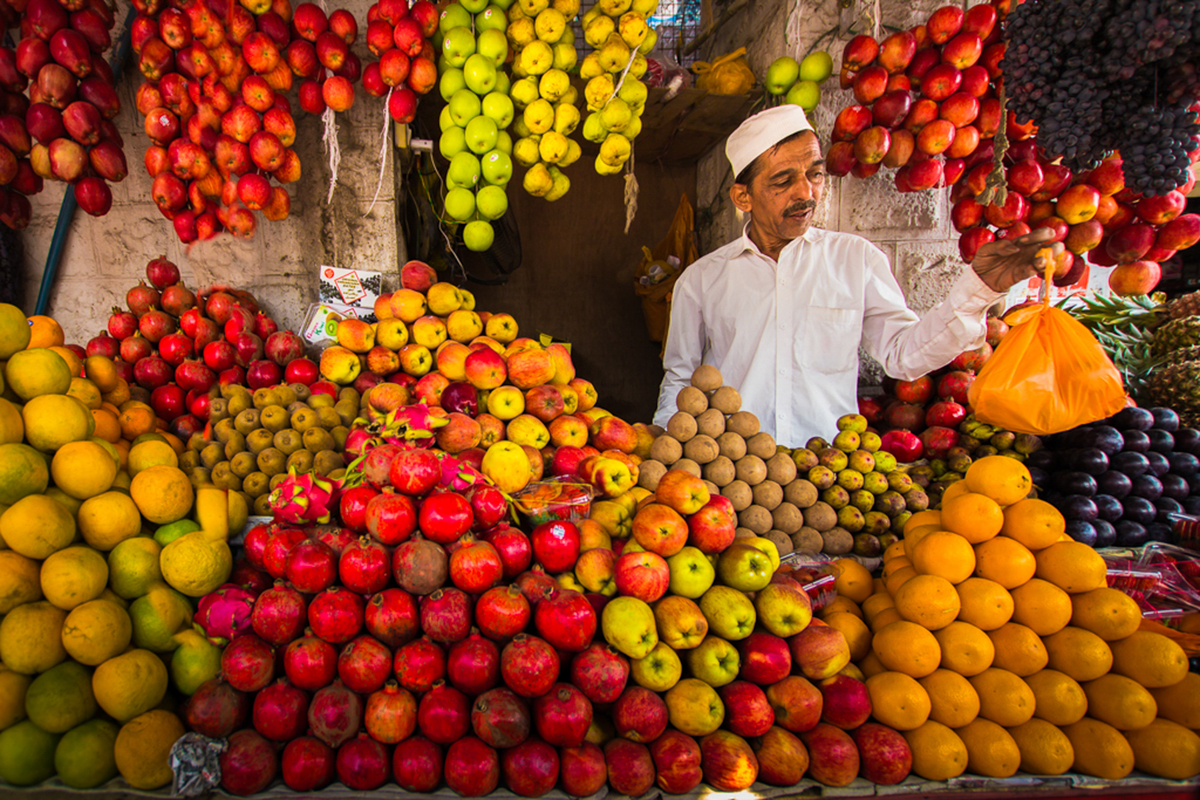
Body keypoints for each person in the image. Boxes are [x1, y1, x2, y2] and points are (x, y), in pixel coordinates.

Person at [653, 104, 1062, 446]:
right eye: (783, 180)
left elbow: (905, 357)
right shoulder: (702, 280)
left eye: (814, 173)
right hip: (734, 476)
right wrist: (665, 450)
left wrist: (980, 289)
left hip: (828, 477)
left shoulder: (856, 259)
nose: (807, 193)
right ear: (743, 196)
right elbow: (680, 377)